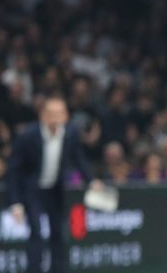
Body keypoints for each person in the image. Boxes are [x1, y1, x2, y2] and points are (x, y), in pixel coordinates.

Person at [6, 95, 103, 273]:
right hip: (32, 190)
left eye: (59, 113)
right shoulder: (28, 136)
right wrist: (15, 202)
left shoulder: (71, 133)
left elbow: (78, 158)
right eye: (51, 113)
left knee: (59, 233)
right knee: (36, 232)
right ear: (42, 115)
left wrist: (91, 180)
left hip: (55, 189)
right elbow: (14, 171)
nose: (55, 118)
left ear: (66, 116)